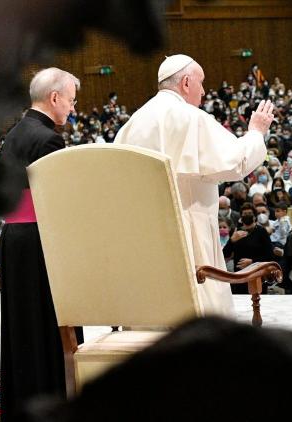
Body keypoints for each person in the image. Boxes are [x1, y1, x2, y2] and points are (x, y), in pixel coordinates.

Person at [114, 54, 273, 315]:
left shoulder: (133, 123)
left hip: (144, 232)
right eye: (201, 83)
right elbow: (236, 162)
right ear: (186, 83)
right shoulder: (191, 117)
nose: (203, 90)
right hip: (189, 227)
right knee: (199, 307)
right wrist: (256, 132)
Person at [0, 67, 81, 419]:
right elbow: (56, 201)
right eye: (72, 100)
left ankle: (23, 402)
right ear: (55, 97)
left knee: (22, 326)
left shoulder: (14, 134)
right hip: (40, 240)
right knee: (48, 324)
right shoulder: (48, 138)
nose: (73, 109)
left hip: (15, 239)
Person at [222, 203, 275, 294]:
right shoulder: (236, 232)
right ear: (241, 217)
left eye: (250, 214)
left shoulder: (261, 232)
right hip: (240, 276)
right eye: (244, 214)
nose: (247, 216)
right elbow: (225, 254)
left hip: (258, 274)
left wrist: (252, 261)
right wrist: (231, 241)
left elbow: (270, 255)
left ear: (254, 217)